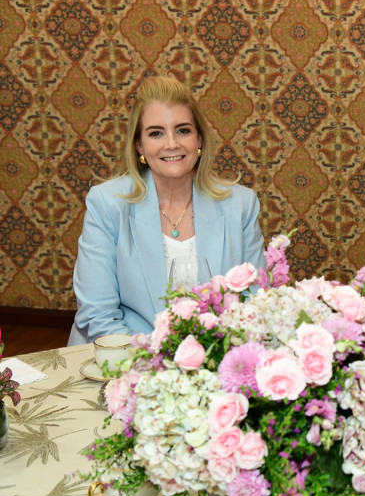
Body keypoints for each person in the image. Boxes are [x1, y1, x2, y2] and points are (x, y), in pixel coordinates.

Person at [68, 76, 266, 346]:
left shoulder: (240, 205)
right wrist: (158, 365)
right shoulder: (107, 204)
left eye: (183, 130)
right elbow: (98, 314)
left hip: (214, 357)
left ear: (199, 139)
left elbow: (254, 300)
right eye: (156, 133)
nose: (171, 143)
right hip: (123, 358)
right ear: (140, 146)